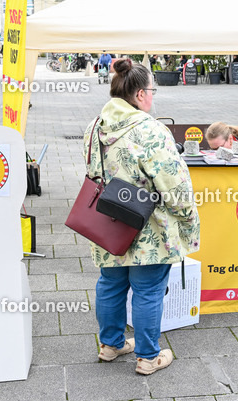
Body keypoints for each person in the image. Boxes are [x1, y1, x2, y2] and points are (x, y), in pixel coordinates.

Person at [84, 58, 200, 375]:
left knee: (110, 283)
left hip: (107, 223)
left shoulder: (94, 126)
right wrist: (188, 215)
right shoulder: (151, 130)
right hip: (150, 226)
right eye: (152, 90)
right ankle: (148, 356)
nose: (153, 96)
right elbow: (173, 185)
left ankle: (110, 345)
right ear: (138, 95)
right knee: (148, 290)